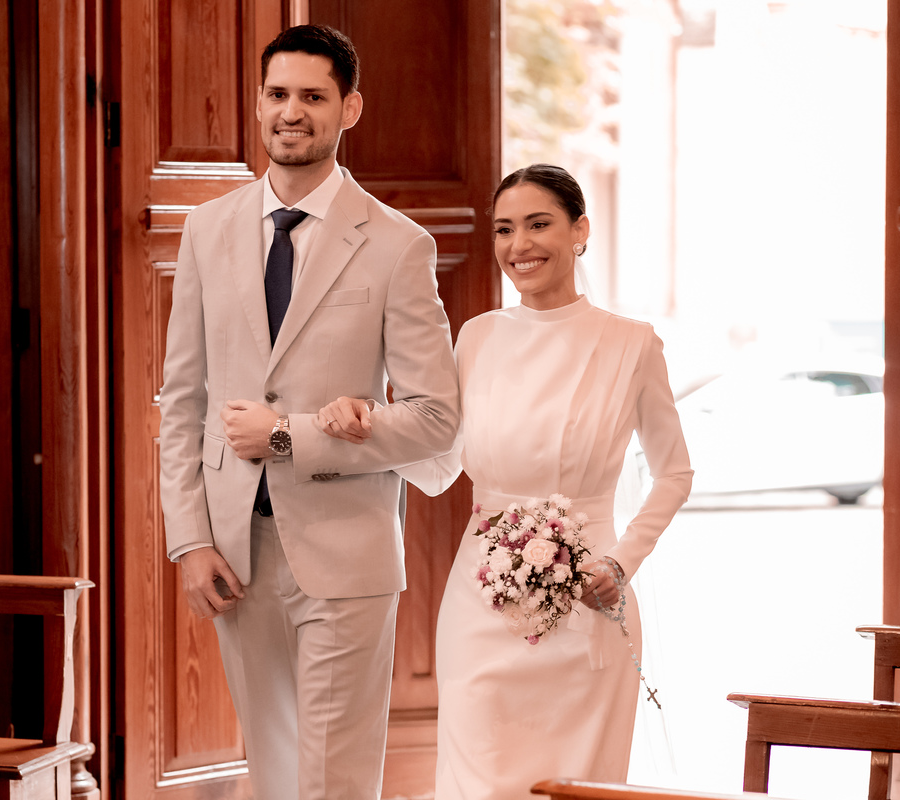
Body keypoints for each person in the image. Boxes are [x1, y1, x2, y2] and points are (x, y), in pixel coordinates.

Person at [321, 164, 693, 798]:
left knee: (575, 782)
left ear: (580, 230)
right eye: (504, 229)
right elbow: (439, 468)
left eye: (538, 224)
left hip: (588, 600)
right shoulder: (477, 337)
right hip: (480, 606)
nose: (519, 246)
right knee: (479, 778)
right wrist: (370, 429)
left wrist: (622, 563)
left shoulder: (633, 345)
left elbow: (674, 473)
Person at [158, 24, 460, 800]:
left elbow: (435, 419)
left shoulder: (399, 245)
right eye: (278, 94)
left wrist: (293, 436)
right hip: (234, 555)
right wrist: (190, 540)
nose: (292, 112)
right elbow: (183, 400)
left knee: (335, 782)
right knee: (274, 773)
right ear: (259, 104)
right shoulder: (206, 229)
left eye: (313, 97)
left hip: (347, 554)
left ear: (349, 109)